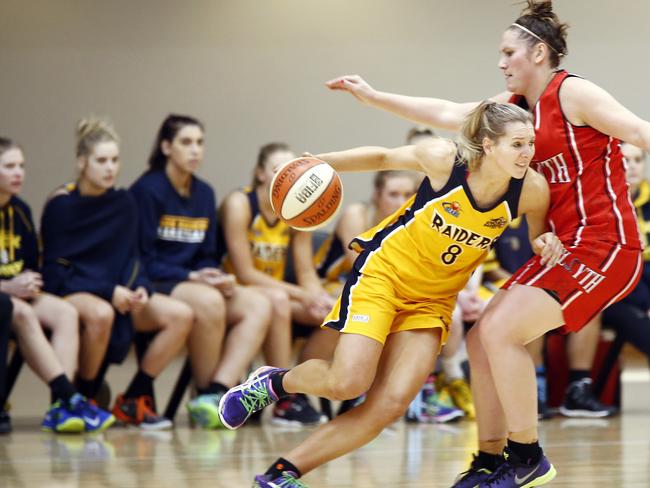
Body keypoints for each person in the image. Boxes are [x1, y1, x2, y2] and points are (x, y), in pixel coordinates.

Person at [326, 1, 649, 485]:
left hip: (606, 244)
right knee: (481, 339)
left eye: (508, 53)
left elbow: (640, 131)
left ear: (539, 53)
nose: (500, 62)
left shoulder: (574, 93)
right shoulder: (512, 111)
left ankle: (527, 455)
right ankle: (489, 460)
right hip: (562, 244)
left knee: (500, 334)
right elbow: (449, 112)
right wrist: (374, 98)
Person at [219, 101, 565, 487]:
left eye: (531, 143)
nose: (528, 153)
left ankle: (281, 475)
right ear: (487, 144)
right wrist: (320, 163)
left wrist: (544, 240)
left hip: (432, 302)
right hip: (384, 277)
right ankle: (272, 383)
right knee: (347, 382)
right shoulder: (444, 161)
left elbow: (537, 234)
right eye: (517, 144)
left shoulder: (531, 189)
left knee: (389, 404)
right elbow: (383, 156)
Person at [41, 118, 195, 430]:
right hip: (73, 289)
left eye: (114, 160)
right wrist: (108, 291)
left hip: (118, 291)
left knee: (180, 315)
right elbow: (56, 269)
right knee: (101, 314)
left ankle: (134, 396)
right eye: (101, 161)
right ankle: (82, 397)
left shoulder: (124, 202)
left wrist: (139, 287)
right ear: (82, 163)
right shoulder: (61, 205)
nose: (110, 168)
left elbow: (133, 257)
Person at [130, 114, 272, 429]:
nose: (195, 150)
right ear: (166, 147)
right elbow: (141, 257)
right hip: (156, 282)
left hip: (193, 282)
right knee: (209, 302)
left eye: (199, 143)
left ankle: (218, 393)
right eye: (186, 142)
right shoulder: (146, 190)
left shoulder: (204, 193)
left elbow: (207, 254)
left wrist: (214, 274)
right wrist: (194, 277)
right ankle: (207, 396)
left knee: (259, 304)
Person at [0, 137, 114, 433]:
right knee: (21, 313)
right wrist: (10, 287)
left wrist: (30, 282)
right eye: (9, 166)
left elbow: (29, 264)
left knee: (66, 313)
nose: (18, 173)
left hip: (16, 294)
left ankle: (59, 409)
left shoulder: (21, 210)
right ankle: (70, 397)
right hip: (6, 297)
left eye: (21, 166)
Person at [220, 142, 334, 426]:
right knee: (280, 301)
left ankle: (304, 381)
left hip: (276, 291)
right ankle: (283, 397)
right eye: (278, 169)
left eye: (291, 169)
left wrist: (317, 296)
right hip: (236, 290)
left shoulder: (298, 210)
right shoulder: (240, 203)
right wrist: (302, 295)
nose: (288, 175)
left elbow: (306, 270)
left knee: (336, 311)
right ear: (260, 173)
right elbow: (245, 272)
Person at [600, 143, 650, 359]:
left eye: (638, 160)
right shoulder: (601, 202)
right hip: (615, 296)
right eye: (626, 160)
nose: (633, 167)